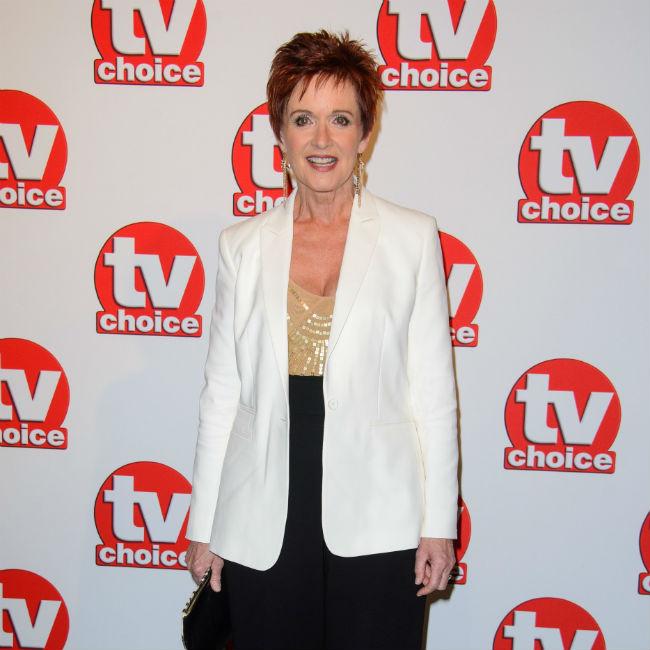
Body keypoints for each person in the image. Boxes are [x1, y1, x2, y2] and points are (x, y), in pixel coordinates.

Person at [185, 30, 459, 650]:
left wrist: (438, 524)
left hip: (381, 511)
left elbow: (434, 396)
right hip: (262, 508)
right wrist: (206, 524)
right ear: (280, 134)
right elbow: (221, 397)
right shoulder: (241, 247)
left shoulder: (412, 238)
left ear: (365, 134)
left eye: (341, 119)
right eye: (303, 119)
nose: (322, 139)